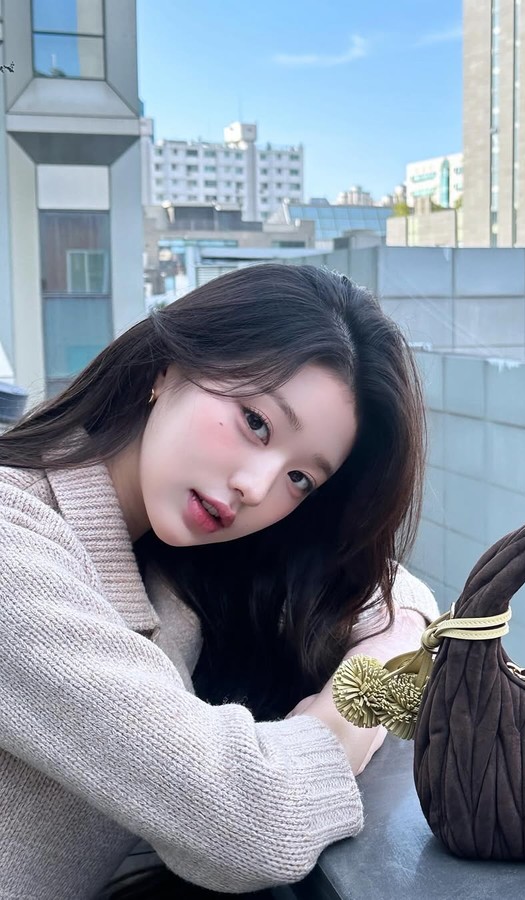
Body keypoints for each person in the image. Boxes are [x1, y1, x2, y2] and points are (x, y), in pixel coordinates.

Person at [0, 263, 438, 898]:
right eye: (256, 423)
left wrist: (377, 671)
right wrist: (350, 718)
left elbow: (390, 597)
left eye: (300, 479)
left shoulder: (176, 563)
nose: (255, 487)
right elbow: (253, 824)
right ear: (167, 368)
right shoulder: (15, 545)